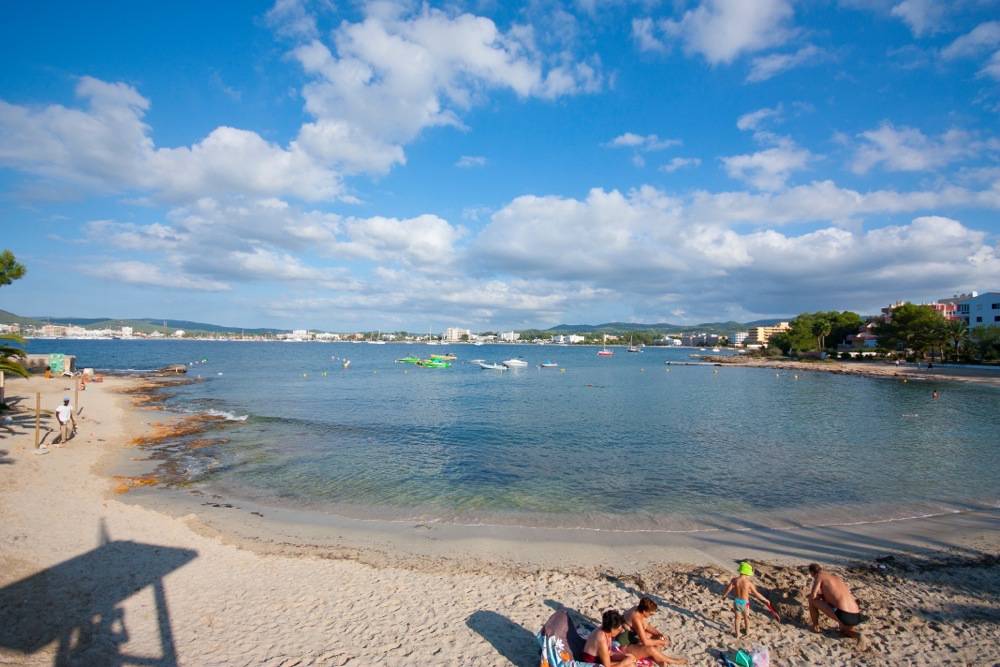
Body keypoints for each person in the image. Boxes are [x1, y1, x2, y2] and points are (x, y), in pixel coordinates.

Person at [620, 597, 687, 665]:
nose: (651, 616)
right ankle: (673, 661)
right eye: (650, 614)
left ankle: (659, 660)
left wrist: (658, 634)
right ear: (644, 611)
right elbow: (645, 642)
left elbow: (646, 626)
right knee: (651, 649)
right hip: (623, 645)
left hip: (629, 636)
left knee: (656, 637)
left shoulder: (637, 609)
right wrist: (661, 642)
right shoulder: (636, 619)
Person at [807, 563, 863, 638]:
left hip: (844, 615)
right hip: (856, 616)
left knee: (811, 600)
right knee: (844, 630)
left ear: (812, 572)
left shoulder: (819, 576)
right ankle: (856, 634)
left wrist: (812, 596)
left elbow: (813, 596)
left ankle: (815, 626)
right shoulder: (835, 577)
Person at [721, 562, 772, 638]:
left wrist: (724, 595)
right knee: (746, 618)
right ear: (747, 573)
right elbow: (756, 594)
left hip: (737, 602)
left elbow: (728, 589)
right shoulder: (748, 583)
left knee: (737, 619)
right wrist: (765, 600)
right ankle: (747, 631)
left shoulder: (734, 580)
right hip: (745, 603)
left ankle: (737, 634)